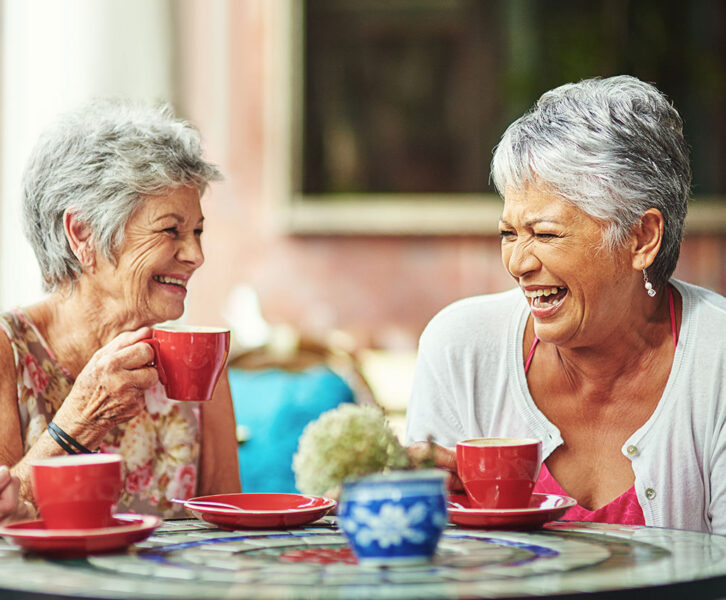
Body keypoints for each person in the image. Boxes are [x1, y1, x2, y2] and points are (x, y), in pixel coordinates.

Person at [405, 75, 726, 533]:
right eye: (508, 233)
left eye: (546, 234)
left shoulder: (717, 360)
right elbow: (425, 565)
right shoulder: (463, 348)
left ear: (642, 238)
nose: (517, 263)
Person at [0, 99, 240, 519]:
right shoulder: (10, 352)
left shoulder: (197, 358)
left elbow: (228, 526)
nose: (196, 255)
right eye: (172, 230)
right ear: (83, 233)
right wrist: (79, 422)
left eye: (198, 231)